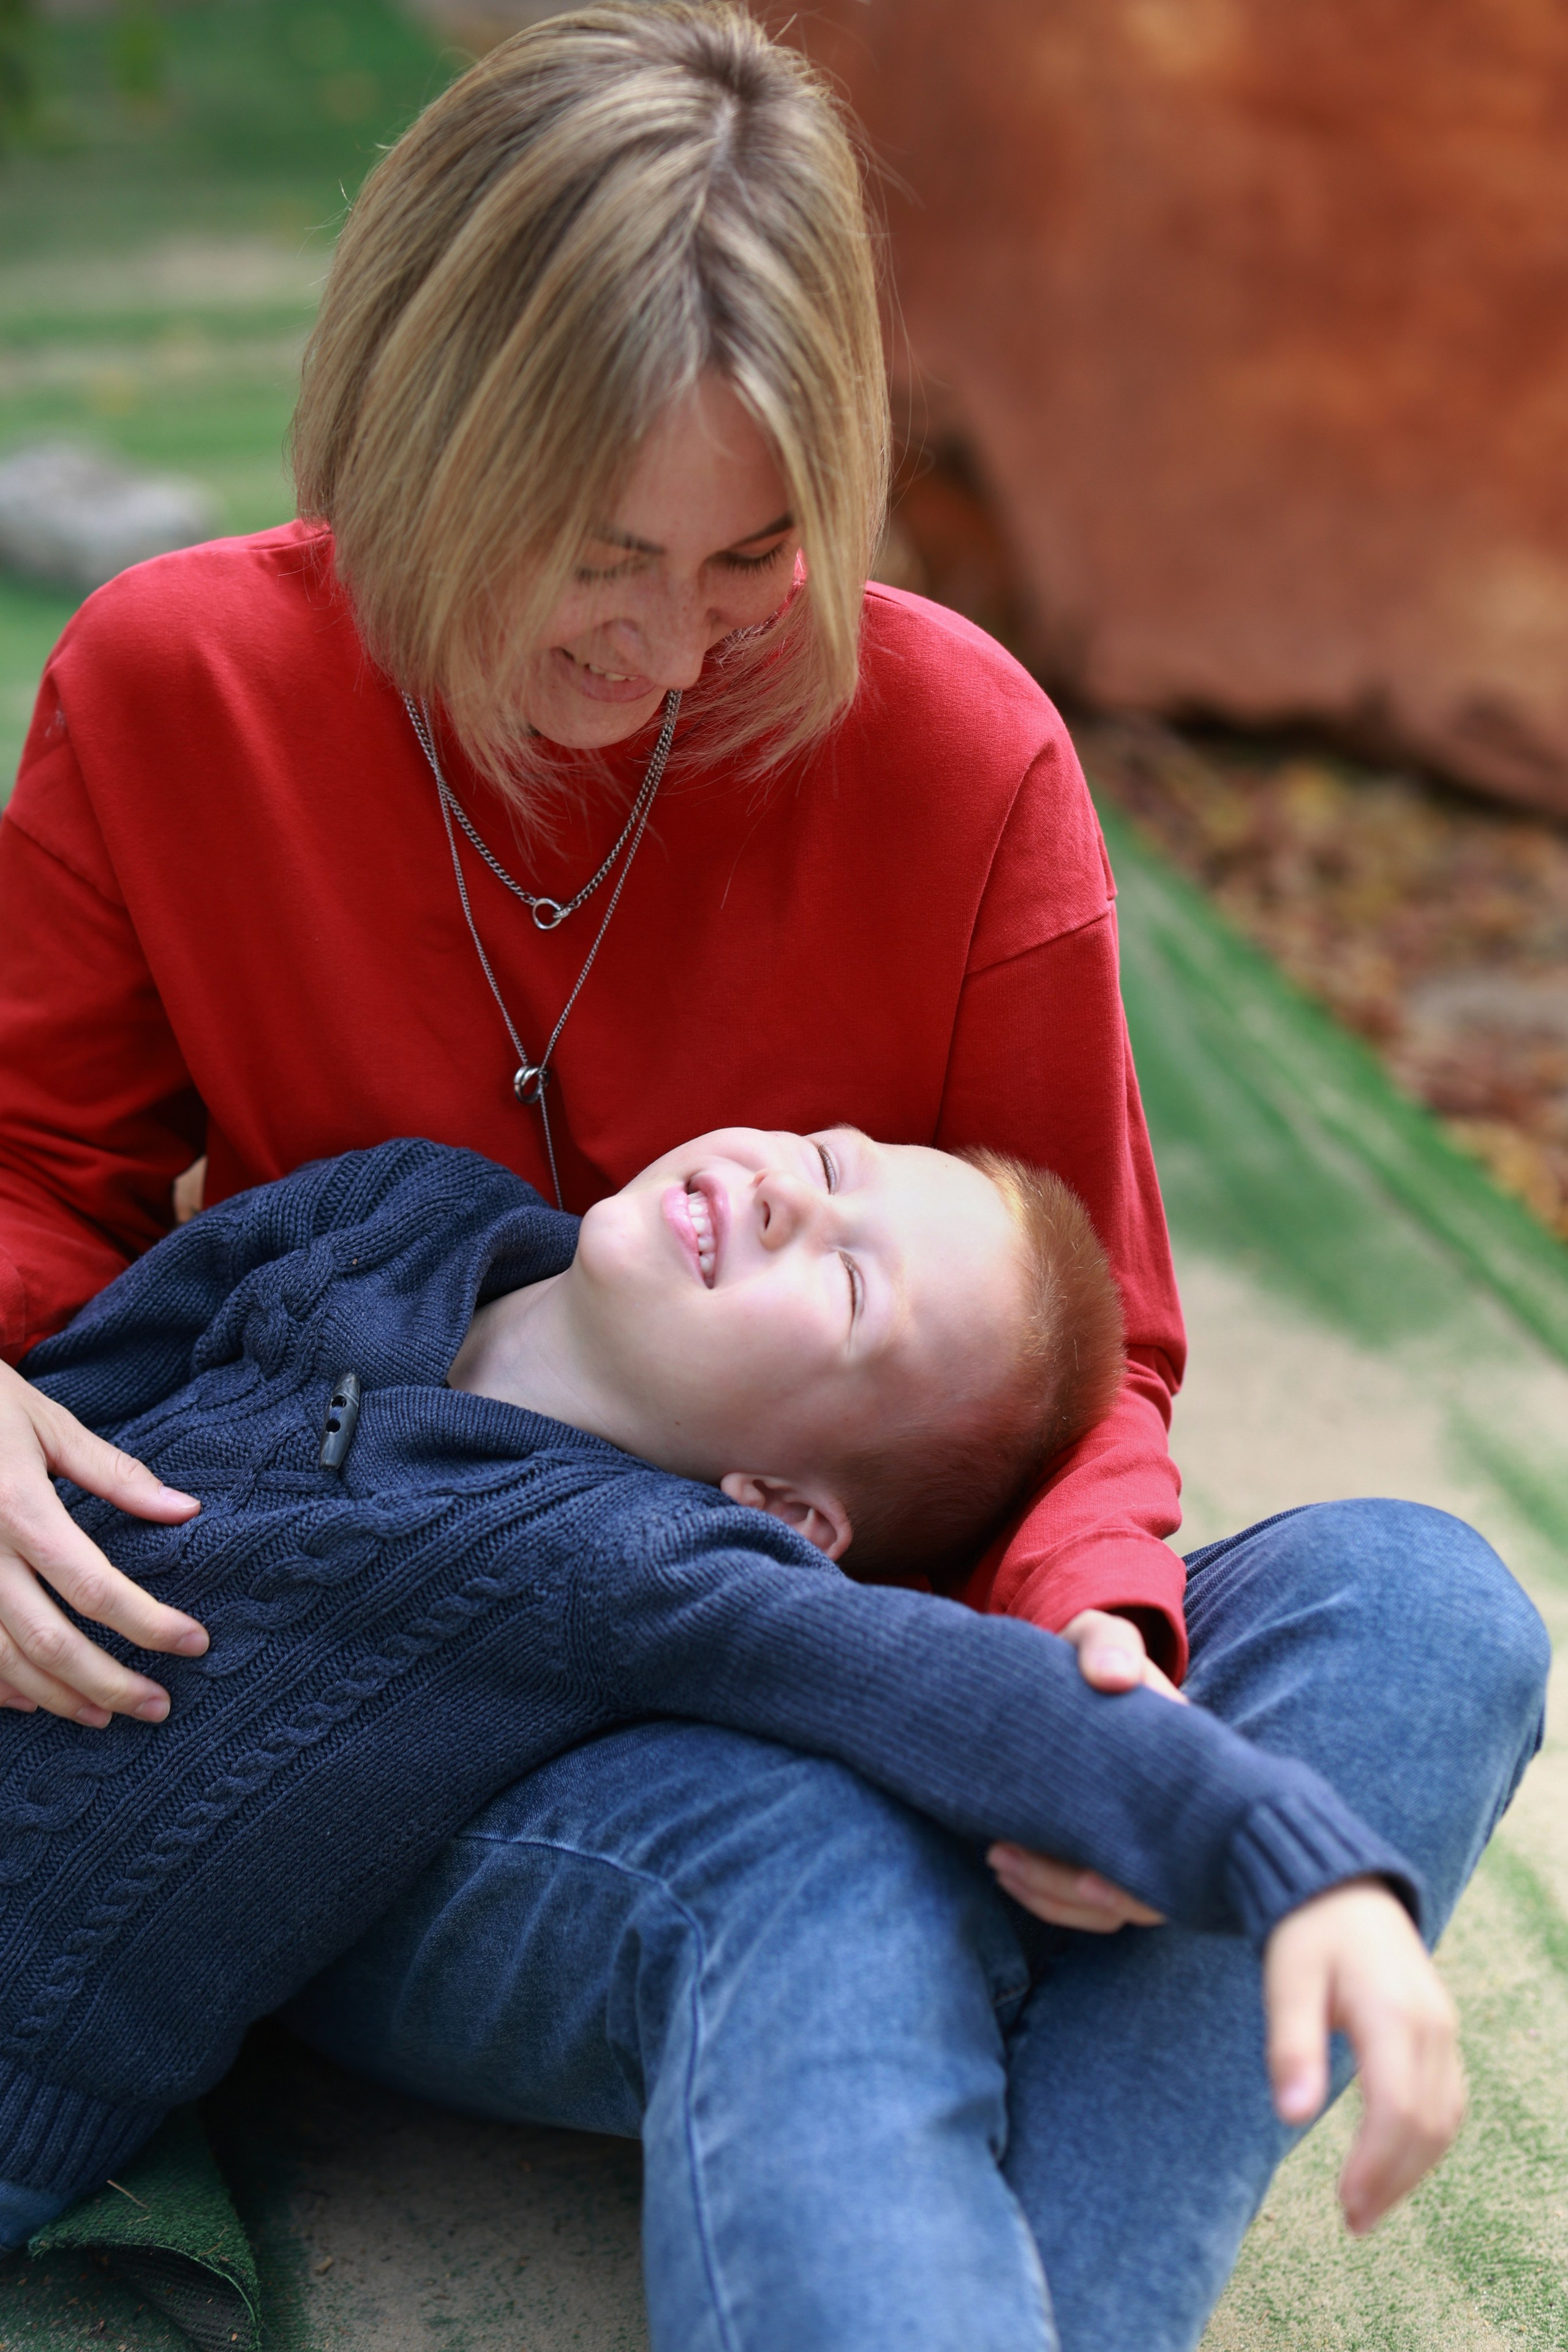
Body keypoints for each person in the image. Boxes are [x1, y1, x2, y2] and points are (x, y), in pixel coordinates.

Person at [0, 7, 1548, 2345]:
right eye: (594, 552)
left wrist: (1085, 1651)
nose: (670, 642)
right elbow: (45, 1180)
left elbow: (1088, 1339)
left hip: (881, 1631)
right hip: (403, 1737)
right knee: (810, 1862)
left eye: (754, 554)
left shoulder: (955, 753)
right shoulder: (171, 691)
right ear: (418, 429)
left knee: (1427, 1614)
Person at [0, 1126, 1440, 2237]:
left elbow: (963, 1688)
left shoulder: (642, 1561)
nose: (788, 1198)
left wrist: (1292, 1863)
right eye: (827, 1158)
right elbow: (76, 1392)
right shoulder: (386, 1208)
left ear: (785, 1510)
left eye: (846, 1279)